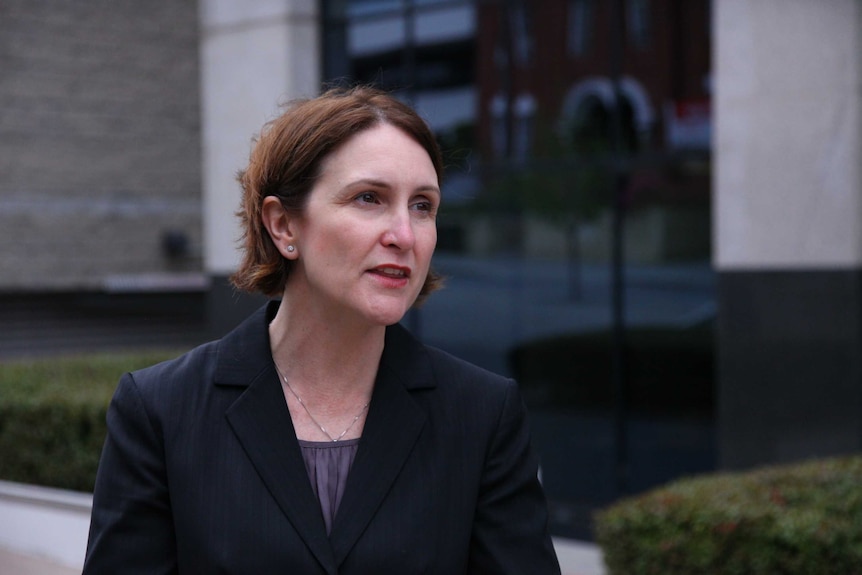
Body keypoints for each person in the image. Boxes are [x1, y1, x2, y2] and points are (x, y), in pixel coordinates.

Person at [83, 85, 561, 574]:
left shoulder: (482, 416)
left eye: (422, 205)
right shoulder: (161, 410)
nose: (403, 235)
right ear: (284, 226)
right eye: (369, 198)